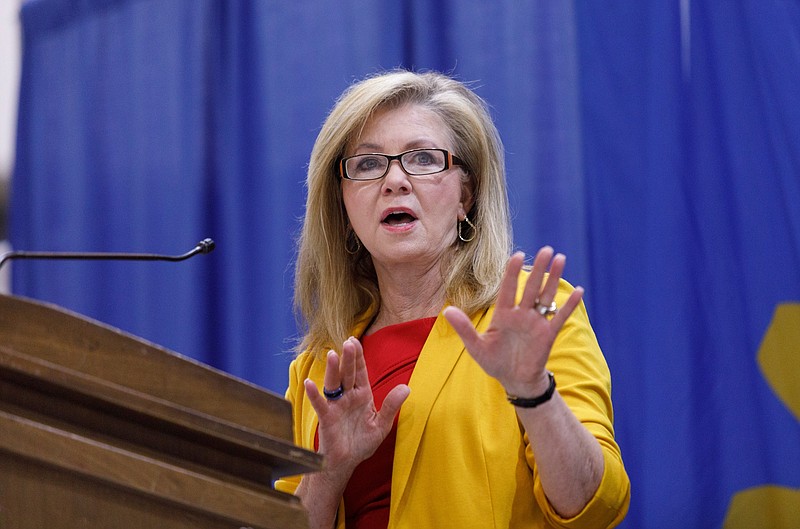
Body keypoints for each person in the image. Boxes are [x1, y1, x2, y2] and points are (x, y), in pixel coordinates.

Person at [274, 70, 630, 529]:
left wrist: (533, 392)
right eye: (366, 164)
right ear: (341, 206)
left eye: (423, 159)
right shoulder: (321, 366)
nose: (395, 180)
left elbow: (594, 505)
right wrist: (331, 470)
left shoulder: (529, 312)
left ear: (466, 194)